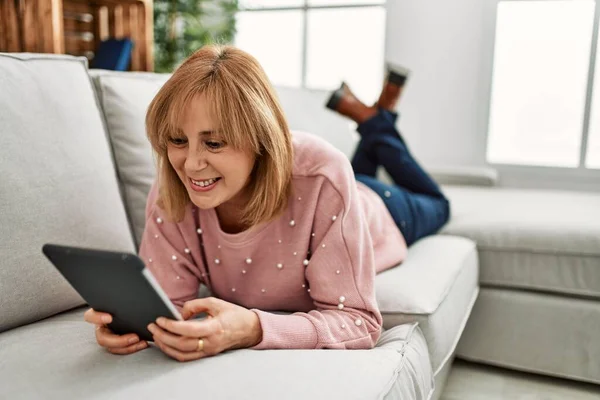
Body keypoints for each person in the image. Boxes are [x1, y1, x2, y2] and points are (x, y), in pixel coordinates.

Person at [83, 44, 450, 361]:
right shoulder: (173, 186)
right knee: (350, 169)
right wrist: (134, 325)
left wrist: (253, 328)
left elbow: (359, 322)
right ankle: (375, 118)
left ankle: (375, 120)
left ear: (260, 141)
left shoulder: (322, 175)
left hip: (383, 209)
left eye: (213, 143)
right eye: (178, 141)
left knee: (438, 203)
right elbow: (171, 307)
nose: (190, 164)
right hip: (333, 189)